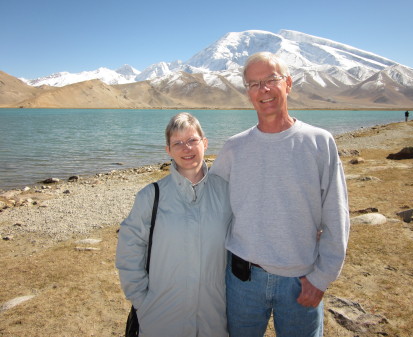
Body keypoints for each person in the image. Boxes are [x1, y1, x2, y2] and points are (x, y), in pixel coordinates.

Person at [210, 52, 350, 337]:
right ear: (248, 93)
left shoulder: (319, 142)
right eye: (254, 84)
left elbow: (336, 214)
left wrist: (321, 278)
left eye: (271, 80)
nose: (263, 90)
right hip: (242, 279)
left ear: (288, 83)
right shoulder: (234, 148)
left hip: (301, 279)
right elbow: (209, 205)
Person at [116, 112, 232, 337]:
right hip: (161, 318)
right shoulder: (151, 196)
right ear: (168, 150)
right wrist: (142, 301)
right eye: (177, 143)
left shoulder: (226, 192)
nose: (186, 148)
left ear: (205, 143)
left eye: (192, 140)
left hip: (214, 318)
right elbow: (129, 252)